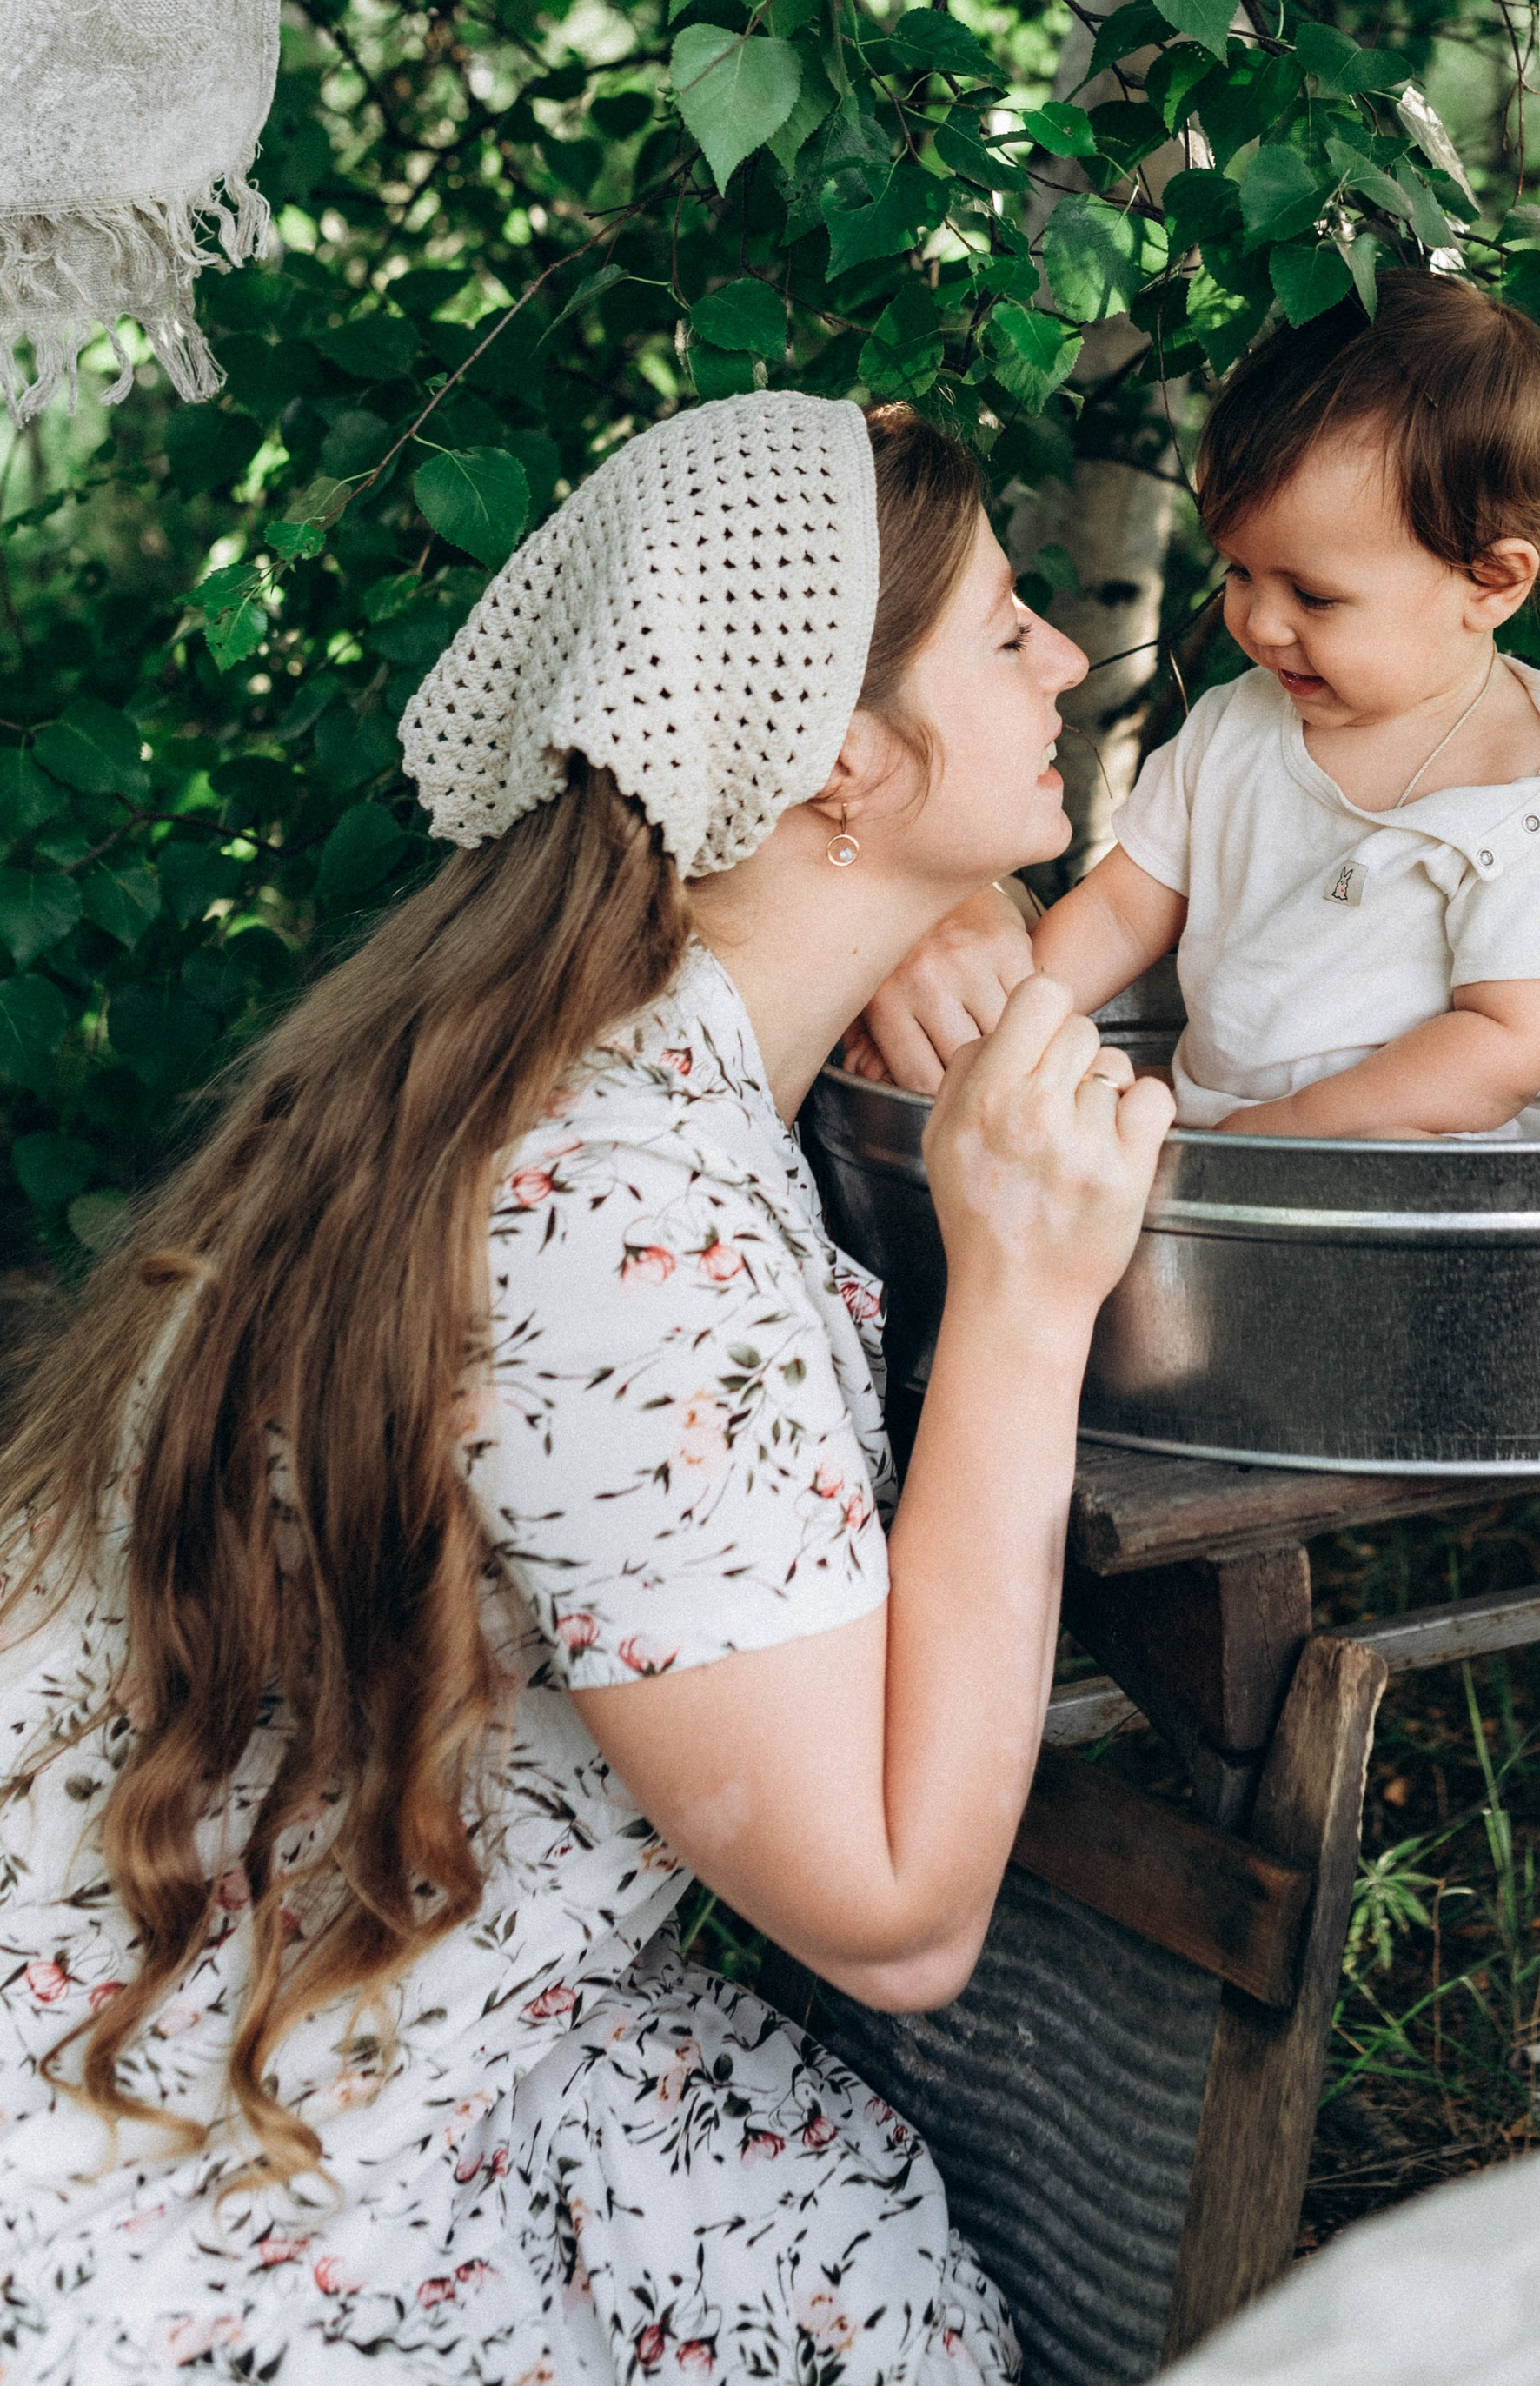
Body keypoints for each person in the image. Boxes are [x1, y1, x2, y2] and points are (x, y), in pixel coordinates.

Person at [0, 391, 1172, 2384]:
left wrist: (922, 896)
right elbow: (895, 1917)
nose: (1062, 654)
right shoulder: (622, 1218)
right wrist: (1025, 1298)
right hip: (192, 2161)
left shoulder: (561, 1048)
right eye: (999, 630)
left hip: (299, 1997)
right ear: (838, 762)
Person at [860, 276, 1540, 1141]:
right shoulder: (1240, 726)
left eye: (1313, 594)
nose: (1259, 622)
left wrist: (1294, 1126)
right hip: (1229, 1134)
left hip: (1438, 1163)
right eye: (1238, 570)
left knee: (1388, 1149)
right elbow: (1120, 912)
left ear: (1491, 581)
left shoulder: (1529, 800)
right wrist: (993, 1034)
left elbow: (1502, 1046)